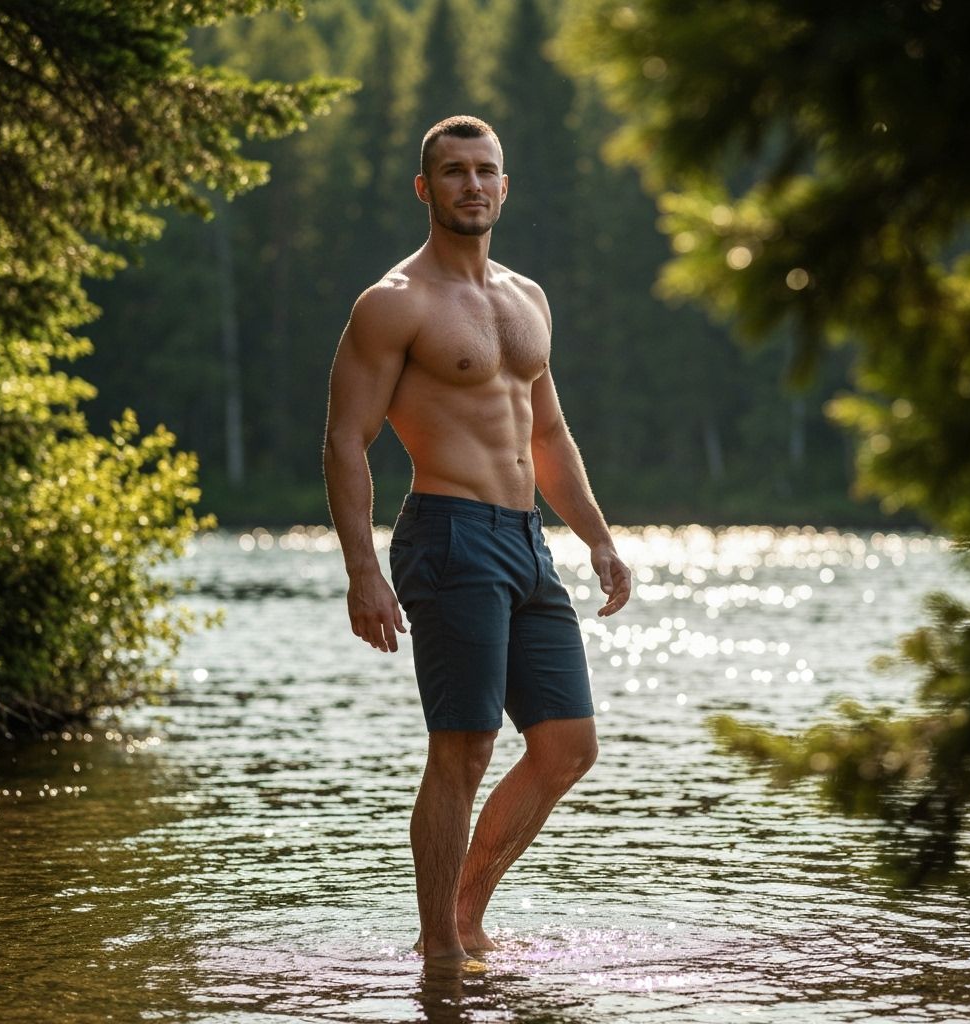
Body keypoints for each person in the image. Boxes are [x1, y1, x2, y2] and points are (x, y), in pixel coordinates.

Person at [323, 115, 631, 961]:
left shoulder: (526, 299)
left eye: (485, 170)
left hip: (527, 541)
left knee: (569, 746)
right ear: (426, 189)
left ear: (505, 185)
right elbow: (346, 438)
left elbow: (550, 434)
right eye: (453, 172)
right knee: (462, 749)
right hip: (448, 533)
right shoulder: (394, 303)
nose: (472, 184)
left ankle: (459, 918)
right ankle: (442, 954)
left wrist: (597, 539)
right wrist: (361, 572)